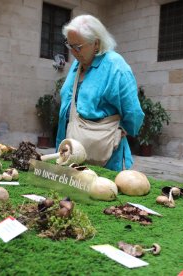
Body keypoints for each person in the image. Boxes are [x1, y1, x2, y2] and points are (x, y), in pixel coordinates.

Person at [55, 14, 144, 171]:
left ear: (96, 43)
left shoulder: (115, 66)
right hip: (72, 152)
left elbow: (134, 113)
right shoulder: (77, 64)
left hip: (104, 156)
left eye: (78, 47)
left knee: (101, 191)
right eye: (70, 46)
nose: (73, 52)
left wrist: (122, 129)